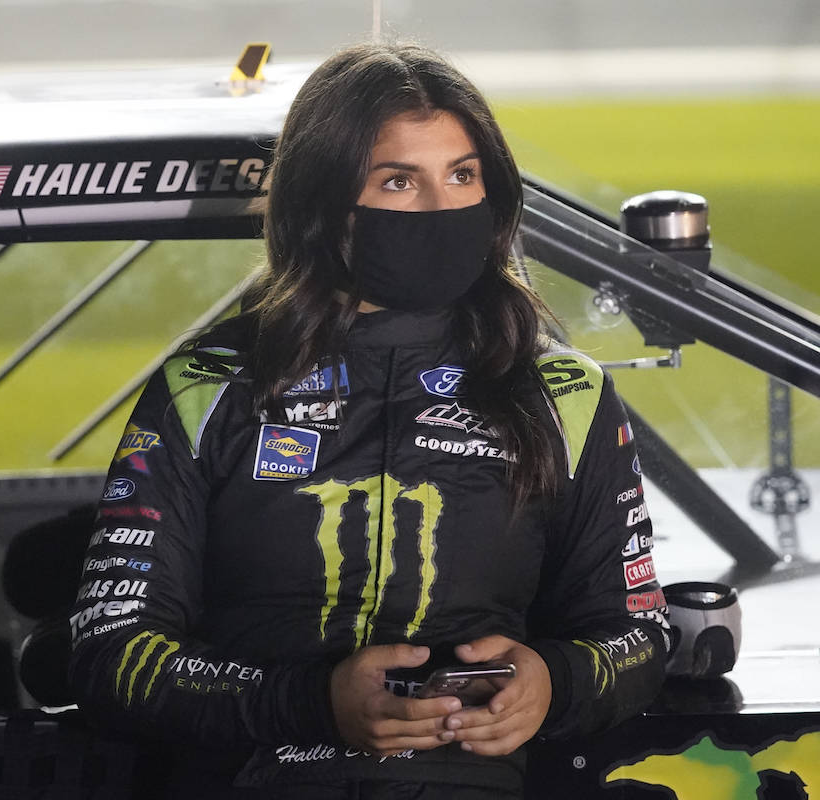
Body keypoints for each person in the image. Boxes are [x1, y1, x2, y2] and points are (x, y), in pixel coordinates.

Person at [67, 42, 669, 798]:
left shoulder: (562, 392)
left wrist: (554, 680)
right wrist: (311, 703)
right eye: (398, 180)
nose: (440, 207)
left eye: (461, 174)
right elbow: (109, 650)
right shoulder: (209, 385)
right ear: (323, 205)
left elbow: (639, 636)